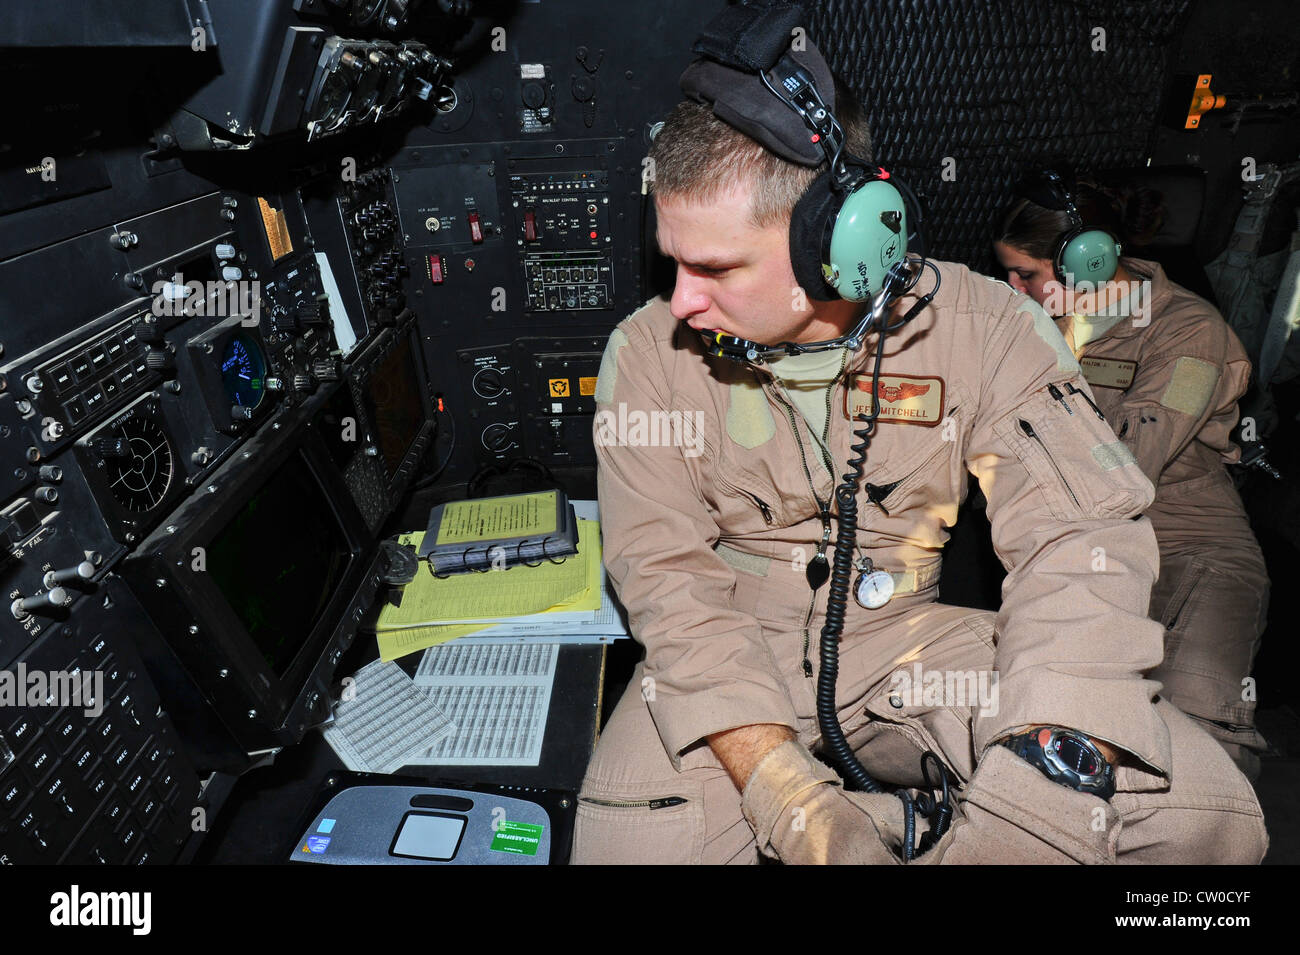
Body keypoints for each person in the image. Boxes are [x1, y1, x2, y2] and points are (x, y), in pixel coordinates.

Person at [573, 24, 1267, 864]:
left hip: (904, 645)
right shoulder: (647, 354)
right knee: (627, 845)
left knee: (1200, 810)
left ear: (834, 245)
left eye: (714, 269)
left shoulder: (989, 327)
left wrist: (1041, 796)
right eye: (671, 262)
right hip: (727, 650)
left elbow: (1077, 543)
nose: (680, 300)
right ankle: (898, 824)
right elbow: (667, 584)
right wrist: (786, 793)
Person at [995, 173, 1270, 781]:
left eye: (1027, 275)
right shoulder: (1035, 323)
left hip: (1190, 551)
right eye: (1008, 274)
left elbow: (1127, 464)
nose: (1013, 289)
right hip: (1083, 549)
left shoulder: (1191, 334)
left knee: (1199, 739)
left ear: (1088, 262)